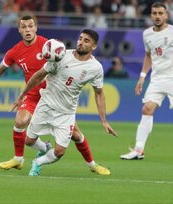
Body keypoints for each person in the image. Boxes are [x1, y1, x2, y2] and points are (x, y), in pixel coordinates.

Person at [0, 15, 111, 175]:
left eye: (30, 26)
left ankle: (92, 164)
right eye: (24, 27)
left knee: (76, 136)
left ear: (36, 28)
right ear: (19, 30)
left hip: (56, 97)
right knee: (20, 122)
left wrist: (104, 120)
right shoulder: (15, 51)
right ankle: (20, 158)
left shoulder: (50, 45)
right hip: (35, 95)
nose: (27, 30)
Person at [10, 29, 118, 176]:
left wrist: (104, 121)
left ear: (94, 47)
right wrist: (22, 95)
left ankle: (38, 163)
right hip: (46, 105)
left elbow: (99, 93)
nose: (81, 42)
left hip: (66, 112)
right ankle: (45, 148)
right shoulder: (61, 56)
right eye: (80, 38)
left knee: (60, 152)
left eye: (86, 41)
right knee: (28, 141)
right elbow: (39, 75)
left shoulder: (96, 68)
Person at [120, 2, 173, 163]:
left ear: (166, 15)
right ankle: (139, 149)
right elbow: (149, 55)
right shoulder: (147, 34)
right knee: (147, 109)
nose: (158, 16)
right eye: (154, 13)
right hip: (157, 79)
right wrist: (142, 76)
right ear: (151, 15)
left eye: (161, 13)